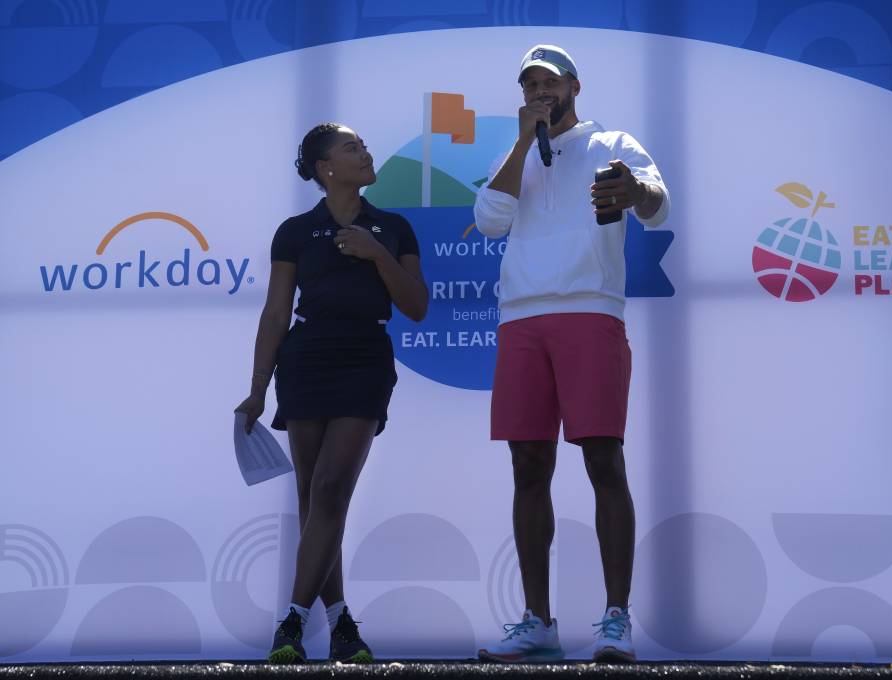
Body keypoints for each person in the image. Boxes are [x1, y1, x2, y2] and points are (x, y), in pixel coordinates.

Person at [473, 45, 670, 663]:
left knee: (602, 462)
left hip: (591, 312)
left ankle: (616, 620)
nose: (540, 92)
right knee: (528, 468)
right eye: (530, 84)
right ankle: (537, 620)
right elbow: (488, 222)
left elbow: (658, 206)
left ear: (574, 87)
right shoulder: (516, 156)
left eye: (549, 83)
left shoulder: (613, 142)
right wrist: (522, 143)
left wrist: (634, 188)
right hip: (522, 320)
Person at [234, 123, 428, 664]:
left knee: (333, 485)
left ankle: (291, 621)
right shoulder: (295, 231)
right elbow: (276, 313)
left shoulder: (393, 227)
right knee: (313, 498)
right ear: (326, 169)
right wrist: (256, 391)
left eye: (363, 146)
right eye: (352, 148)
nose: (365, 153)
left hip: (364, 358)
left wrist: (376, 254)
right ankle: (341, 623)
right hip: (305, 360)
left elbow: (416, 305)